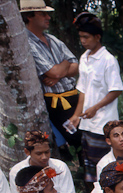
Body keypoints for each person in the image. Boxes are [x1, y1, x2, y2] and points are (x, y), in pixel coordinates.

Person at [69, 12, 123, 184]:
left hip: (104, 122)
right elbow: (82, 90)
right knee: (89, 162)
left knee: (104, 161)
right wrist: (76, 115)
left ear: (97, 37)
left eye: (86, 37)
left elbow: (115, 90)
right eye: (81, 37)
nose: (83, 41)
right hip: (87, 122)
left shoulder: (108, 60)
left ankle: (109, 190)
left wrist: (96, 107)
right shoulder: (84, 58)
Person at [22, 0, 81, 150]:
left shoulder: (53, 40)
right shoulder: (27, 42)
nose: (48, 17)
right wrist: (62, 67)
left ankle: (86, 166)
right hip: (56, 102)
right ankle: (81, 166)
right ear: (29, 16)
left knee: (85, 132)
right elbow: (54, 71)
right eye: (43, 14)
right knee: (74, 136)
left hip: (73, 95)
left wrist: (60, 72)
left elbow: (76, 66)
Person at [9, 130, 77, 193]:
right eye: (39, 153)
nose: (44, 157)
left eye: (47, 152)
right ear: (27, 152)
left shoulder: (60, 166)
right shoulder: (17, 171)